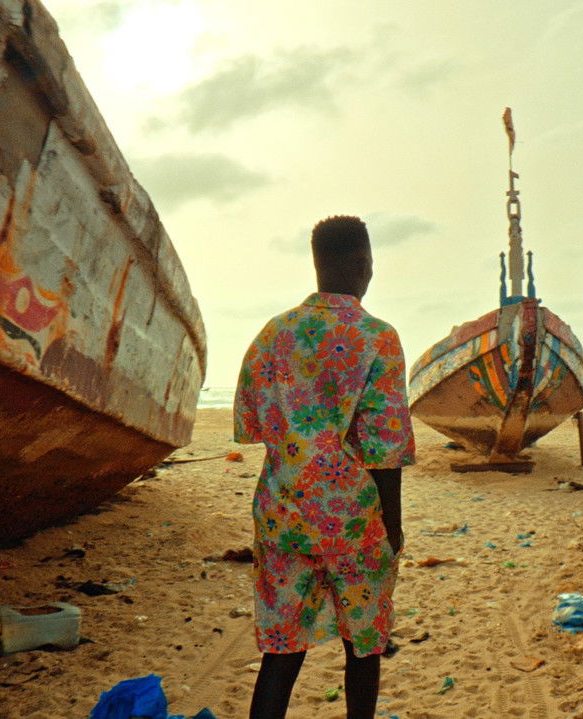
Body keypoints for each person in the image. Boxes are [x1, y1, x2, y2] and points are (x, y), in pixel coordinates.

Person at [233, 215, 416, 719]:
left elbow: (250, 422)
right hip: (353, 519)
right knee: (364, 648)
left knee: (281, 651)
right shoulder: (377, 337)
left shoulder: (273, 333)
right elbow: (385, 446)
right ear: (362, 264)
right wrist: (393, 525)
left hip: (282, 513)